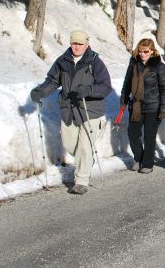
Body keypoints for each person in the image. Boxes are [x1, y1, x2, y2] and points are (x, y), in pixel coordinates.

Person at [30, 30, 112, 195]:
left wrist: (89, 90)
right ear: (70, 43)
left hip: (90, 110)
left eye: (80, 44)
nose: (77, 47)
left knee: (84, 145)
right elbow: (52, 81)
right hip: (68, 110)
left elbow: (105, 86)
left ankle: (81, 181)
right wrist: (40, 91)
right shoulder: (63, 61)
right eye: (74, 43)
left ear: (87, 45)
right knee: (69, 144)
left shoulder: (94, 62)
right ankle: (87, 160)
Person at [120, 38, 165, 174]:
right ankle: (138, 158)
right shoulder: (134, 63)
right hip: (136, 105)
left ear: (152, 51)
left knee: (149, 135)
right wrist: (123, 100)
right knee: (133, 133)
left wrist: (163, 109)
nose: (142, 54)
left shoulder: (159, 66)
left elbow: (164, 88)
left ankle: (147, 163)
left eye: (146, 51)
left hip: (153, 106)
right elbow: (127, 82)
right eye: (140, 51)